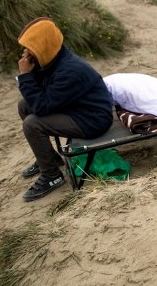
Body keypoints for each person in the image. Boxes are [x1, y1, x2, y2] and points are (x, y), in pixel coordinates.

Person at [15, 17, 112, 201]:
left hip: (92, 120)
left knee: (32, 124)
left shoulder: (70, 71)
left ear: (43, 47)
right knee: (23, 106)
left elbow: (42, 107)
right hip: (76, 109)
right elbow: (41, 98)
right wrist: (31, 74)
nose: (25, 52)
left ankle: (52, 176)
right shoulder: (52, 60)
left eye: (30, 47)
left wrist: (26, 76)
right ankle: (49, 160)